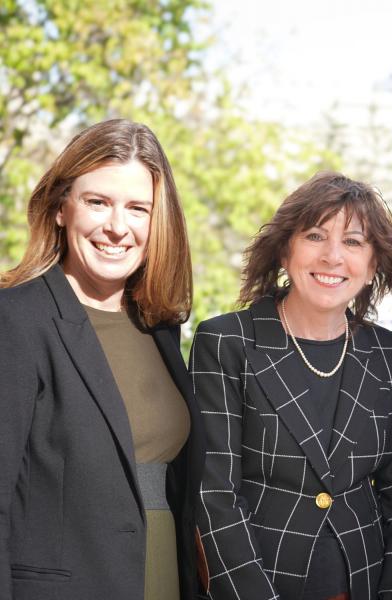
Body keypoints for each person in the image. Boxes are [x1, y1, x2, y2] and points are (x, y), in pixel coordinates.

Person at [192, 172, 392, 600]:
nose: (333, 256)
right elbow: (215, 496)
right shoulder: (227, 342)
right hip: (260, 583)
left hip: (363, 583)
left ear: (373, 265)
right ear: (285, 250)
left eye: (354, 242)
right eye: (315, 236)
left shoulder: (388, 354)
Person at [0, 119, 203, 599]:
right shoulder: (16, 320)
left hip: (161, 578)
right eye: (98, 202)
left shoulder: (159, 326)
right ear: (60, 209)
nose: (117, 226)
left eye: (138, 208)